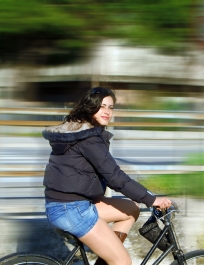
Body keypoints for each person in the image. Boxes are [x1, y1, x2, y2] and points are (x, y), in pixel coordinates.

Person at [42, 87, 172, 265]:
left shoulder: (77, 132)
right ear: (89, 107)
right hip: (72, 209)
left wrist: (144, 198)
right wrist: (151, 199)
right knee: (123, 262)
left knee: (131, 209)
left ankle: (106, 259)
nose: (107, 111)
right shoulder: (88, 138)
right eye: (101, 106)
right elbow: (115, 177)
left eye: (110, 107)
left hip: (67, 205)